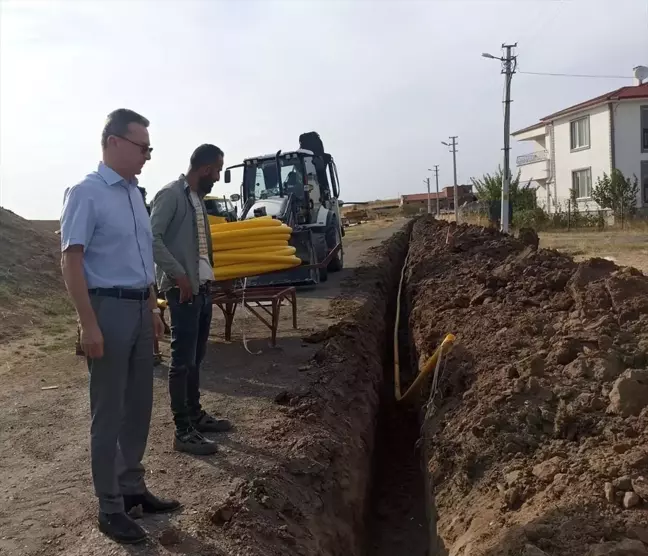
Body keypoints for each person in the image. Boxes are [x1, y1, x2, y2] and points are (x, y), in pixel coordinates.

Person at [60, 108, 180, 545]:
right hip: (105, 308)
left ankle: (131, 487)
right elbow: (71, 261)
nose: (148, 154)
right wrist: (87, 325)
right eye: (142, 146)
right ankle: (109, 508)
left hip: (136, 306)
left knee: (139, 406)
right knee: (108, 412)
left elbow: (141, 260)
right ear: (113, 142)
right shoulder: (86, 193)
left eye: (150, 148)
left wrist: (151, 309)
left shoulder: (134, 194)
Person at [150, 144, 232, 456]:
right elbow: (152, 238)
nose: (218, 176)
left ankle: (196, 415)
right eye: (218, 170)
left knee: (196, 358)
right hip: (181, 290)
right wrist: (178, 275)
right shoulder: (171, 195)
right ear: (205, 167)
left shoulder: (197, 200)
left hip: (201, 289)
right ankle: (182, 430)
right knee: (181, 361)